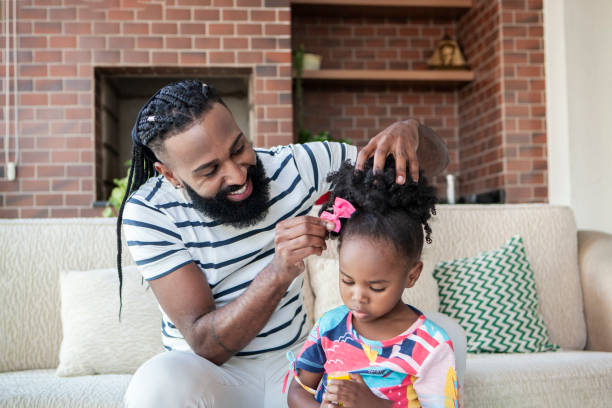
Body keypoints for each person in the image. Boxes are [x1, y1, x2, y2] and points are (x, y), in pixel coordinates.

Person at [117, 79, 450, 407]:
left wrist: (411, 132)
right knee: (157, 383)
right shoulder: (150, 213)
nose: (237, 175)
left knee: (443, 338)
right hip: (210, 378)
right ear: (170, 174)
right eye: (210, 170)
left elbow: (422, 167)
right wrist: (278, 271)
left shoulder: (295, 168)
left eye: (238, 148)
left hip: (292, 366)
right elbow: (206, 343)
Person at [286, 157, 458, 408]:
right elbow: (297, 392)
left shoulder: (430, 345)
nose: (358, 296)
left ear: (412, 275)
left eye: (376, 287)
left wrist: (373, 404)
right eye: (347, 280)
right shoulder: (329, 328)